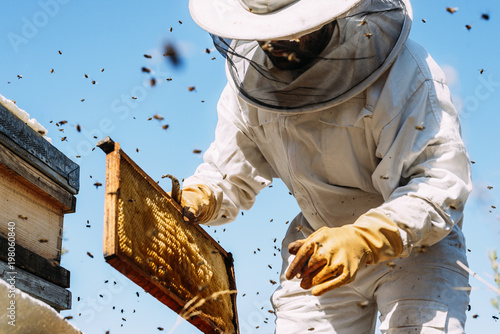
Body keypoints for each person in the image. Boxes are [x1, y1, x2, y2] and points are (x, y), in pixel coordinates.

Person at [180, 0, 472, 332]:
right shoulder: (249, 83)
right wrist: (202, 196)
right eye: (265, 30)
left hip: (415, 247)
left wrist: (365, 238)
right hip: (316, 250)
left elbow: (437, 181)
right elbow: (230, 171)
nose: (276, 43)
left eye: (290, 30)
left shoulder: (405, 72)